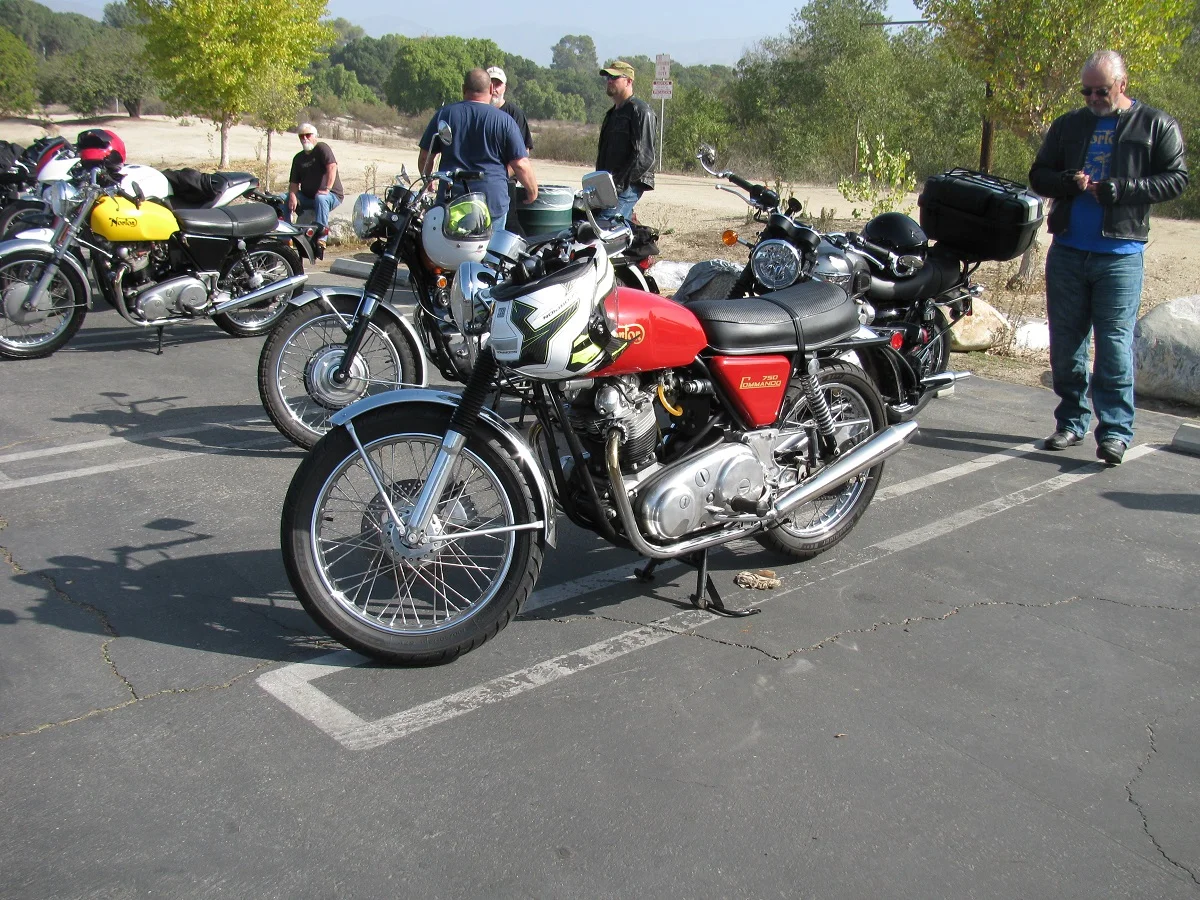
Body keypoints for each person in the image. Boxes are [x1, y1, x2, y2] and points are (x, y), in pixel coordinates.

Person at [1029, 50, 1187, 466]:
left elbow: (1176, 178)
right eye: (1087, 91)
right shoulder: (1068, 125)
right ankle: (1071, 421)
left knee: (1114, 348)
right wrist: (1066, 181)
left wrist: (1125, 189)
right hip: (1068, 249)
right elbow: (1039, 174)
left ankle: (1115, 432)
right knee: (1066, 346)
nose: (1094, 98)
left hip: (1120, 255)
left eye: (1101, 90)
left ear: (1123, 84)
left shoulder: (1155, 124)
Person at [418, 68, 538, 232]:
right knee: (491, 248)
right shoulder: (505, 121)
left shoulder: (444, 115)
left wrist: (428, 180)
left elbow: (425, 157)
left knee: (449, 246)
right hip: (491, 201)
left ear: (463, 88)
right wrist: (532, 191)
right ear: (490, 89)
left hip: (451, 199)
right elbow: (521, 164)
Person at [596, 60, 656, 220]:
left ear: (628, 81)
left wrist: (619, 184)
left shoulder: (640, 111)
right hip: (610, 184)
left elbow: (645, 157)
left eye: (614, 77)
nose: (609, 81)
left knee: (605, 225)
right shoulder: (611, 114)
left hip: (630, 184)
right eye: (608, 77)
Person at [284, 123, 343, 257]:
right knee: (283, 198)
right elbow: (294, 183)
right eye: (301, 136)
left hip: (331, 195)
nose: (305, 138)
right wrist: (292, 195)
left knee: (320, 198)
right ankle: (286, 237)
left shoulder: (322, 148)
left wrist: (327, 188)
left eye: (308, 135)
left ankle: (321, 239)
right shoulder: (298, 158)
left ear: (314, 136)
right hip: (308, 197)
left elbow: (332, 167)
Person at [487, 66, 532, 152]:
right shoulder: (477, 111)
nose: (494, 89)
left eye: (498, 84)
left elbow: (524, 149)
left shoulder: (515, 113)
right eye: (490, 84)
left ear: (505, 88)